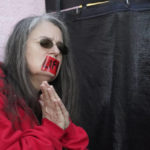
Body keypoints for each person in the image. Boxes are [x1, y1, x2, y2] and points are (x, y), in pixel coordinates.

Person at [0, 13, 89, 149]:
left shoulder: (49, 104)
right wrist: (52, 129)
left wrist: (65, 126)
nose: (56, 51)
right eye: (45, 43)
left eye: (61, 47)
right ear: (20, 47)